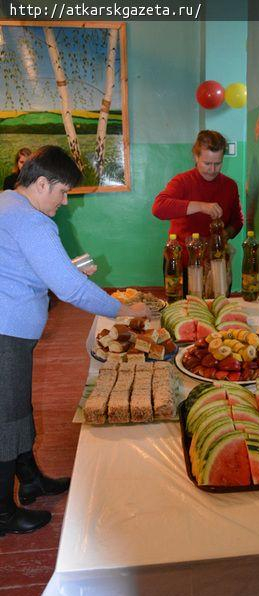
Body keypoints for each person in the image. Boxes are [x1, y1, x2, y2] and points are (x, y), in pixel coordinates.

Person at [0, 146, 150, 537]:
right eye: (63, 192)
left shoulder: (8, 203)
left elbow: (29, 267)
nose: (65, 203)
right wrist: (122, 310)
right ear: (41, 182)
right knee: (7, 419)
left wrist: (70, 273)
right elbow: (68, 288)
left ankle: (31, 480)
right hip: (6, 332)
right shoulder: (32, 221)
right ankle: (2, 516)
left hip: (10, 326)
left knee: (14, 409)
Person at [152, 130, 244, 291]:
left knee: (218, 311)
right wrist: (200, 206)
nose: (213, 169)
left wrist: (226, 233)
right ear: (196, 157)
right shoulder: (182, 181)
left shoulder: (230, 186)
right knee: (184, 312)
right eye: (207, 163)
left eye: (218, 163)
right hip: (183, 262)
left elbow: (237, 221)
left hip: (217, 264)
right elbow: (159, 208)